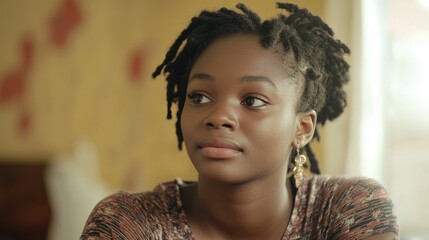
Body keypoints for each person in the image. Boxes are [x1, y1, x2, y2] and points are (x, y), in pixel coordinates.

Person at [81, 2, 399, 239]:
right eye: (200, 97)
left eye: (252, 101)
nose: (218, 116)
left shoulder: (351, 210)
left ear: (302, 128)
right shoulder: (126, 223)